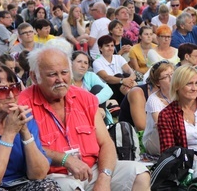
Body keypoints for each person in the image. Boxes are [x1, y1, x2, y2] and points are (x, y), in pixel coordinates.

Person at [18, 47, 150, 190]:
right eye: (52, 74)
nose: (60, 79)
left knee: (139, 173)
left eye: (64, 72)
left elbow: (106, 143)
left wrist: (104, 177)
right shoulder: (23, 104)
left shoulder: (84, 98)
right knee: (70, 187)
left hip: (93, 169)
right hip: (54, 175)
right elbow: (30, 148)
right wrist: (65, 159)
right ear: (34, 77)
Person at [0, 61, 60, 190]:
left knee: (48, 186)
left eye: (14, 88)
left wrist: (25, 131)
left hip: (20, 183)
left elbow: (39, 175)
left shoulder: (23, 115)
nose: (11, 96)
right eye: (2, 90)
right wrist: (9, 134)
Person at [93, 35, 137, 104]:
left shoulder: (118, 58)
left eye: (112, 46)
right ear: (100, 48)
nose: (110, 48)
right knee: (119, 75)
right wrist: (122, 81)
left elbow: (130, 71)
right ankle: (134, 98)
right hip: (110, 89)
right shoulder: (97, 62)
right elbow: (106, 78)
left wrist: (131, 78)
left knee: (125, 74)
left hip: (124, 87)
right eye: (107, 46)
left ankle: (134, 96)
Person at [143, 61, 174, 155]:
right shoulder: (154, 100)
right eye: (166, 76)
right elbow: (160, 124)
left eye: (173, 74)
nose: (171, 78)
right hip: (155, 139)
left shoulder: (180, 94)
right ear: (158, 82)